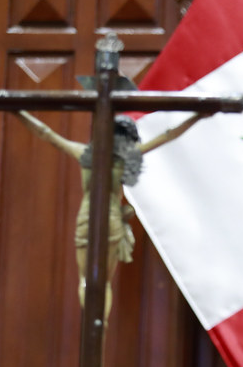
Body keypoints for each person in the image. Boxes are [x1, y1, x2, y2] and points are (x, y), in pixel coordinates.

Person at [13, 110, 205, 316]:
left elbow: (45, 133)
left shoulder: (83, 153)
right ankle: (99, 327)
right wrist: (199, 116)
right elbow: (168, 135)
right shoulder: (125, 158)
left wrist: (16, 112)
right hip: (111, 219)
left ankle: (91, 327)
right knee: (104, 284)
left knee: (85, 280)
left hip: (87, 217)